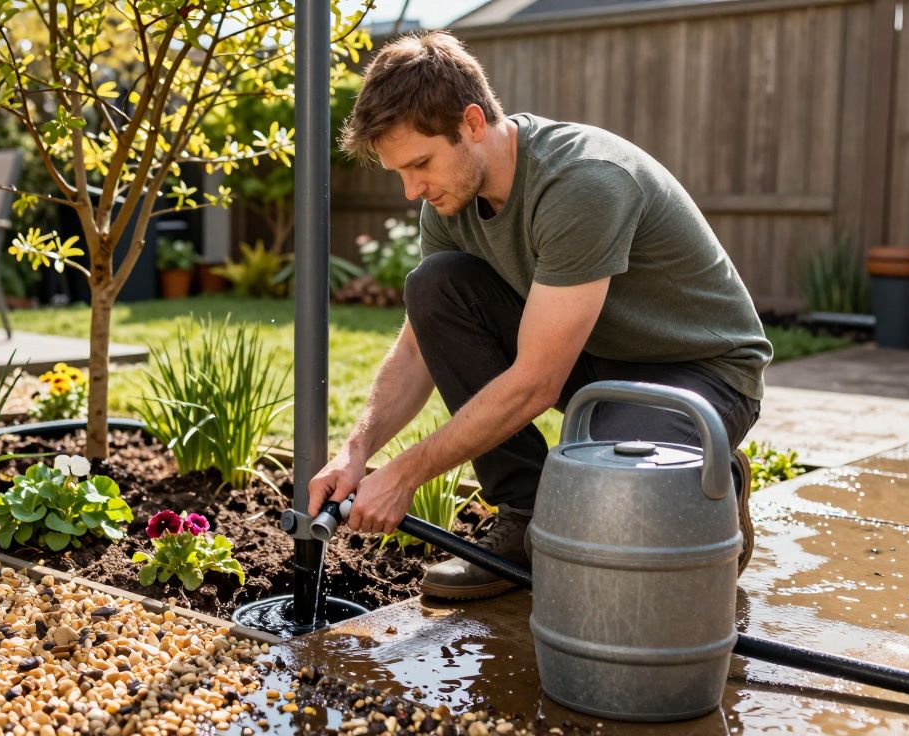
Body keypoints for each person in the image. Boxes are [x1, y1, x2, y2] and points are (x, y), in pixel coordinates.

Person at [307, 31, 771, 600]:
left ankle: (714, 483)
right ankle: (524, 514)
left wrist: (403, 475)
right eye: (398, 172)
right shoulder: (450, 200)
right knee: (434, 288)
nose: (411, 190)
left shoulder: (582, 182)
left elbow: (534, 383)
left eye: (420, 164)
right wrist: (355, 453)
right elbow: (416, 349)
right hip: (596, 359)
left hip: (698, 373)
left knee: (603, 519)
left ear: (473, 123)